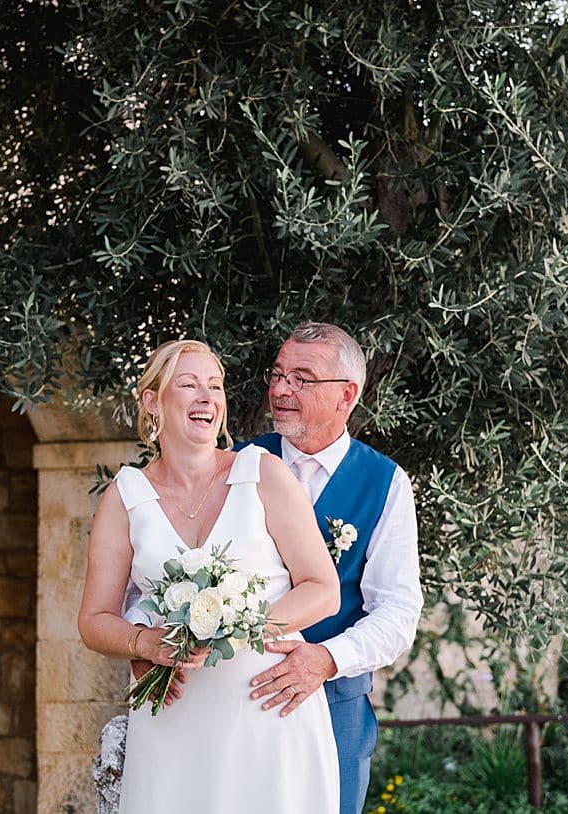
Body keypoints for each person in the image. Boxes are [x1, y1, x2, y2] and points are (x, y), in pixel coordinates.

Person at [78, 339, 343, 814]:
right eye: (189, 384)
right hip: (175, 717)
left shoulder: (264, 473)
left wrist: (241, 626)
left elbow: (323, 589)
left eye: (215, 386)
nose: (207, 397)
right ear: (152, 401)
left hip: (268, 707)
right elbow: (94, 619)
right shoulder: (125, 497)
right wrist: (145, 643)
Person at [243, 322, 424, 814]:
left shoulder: (384, 483)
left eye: (302, 378)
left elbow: (398, 612)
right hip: (234, 695)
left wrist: (325, 659)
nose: (281, 389)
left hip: (333, 704)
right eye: (278, 374)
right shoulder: (234, 466)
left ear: (347, 394)